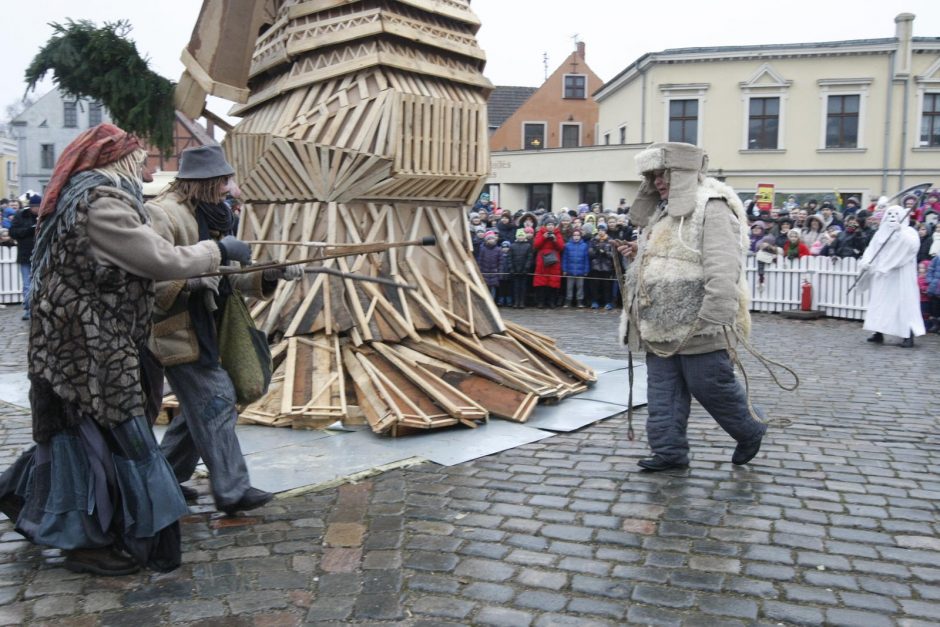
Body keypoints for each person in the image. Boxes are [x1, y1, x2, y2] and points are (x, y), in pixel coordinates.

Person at [0, 123, 240, 576]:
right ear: (115, 160)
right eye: (136, 159)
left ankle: (46, 513)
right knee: (117, 436)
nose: (143, 167)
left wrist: (218, 267)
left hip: (83, 341)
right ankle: (86, 541)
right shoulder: (101, 203)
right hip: (87, 347)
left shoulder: (87, 197)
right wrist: (215, 251)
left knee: (84, 435)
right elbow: (159, 260)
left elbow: (130, 274)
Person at [147, 145, 302, 515]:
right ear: (202, 182)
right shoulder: (162, 214)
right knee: (216, 399)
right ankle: (233, 490)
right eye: (222, 181)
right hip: (178, 328)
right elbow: (149, 276)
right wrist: (190, 282)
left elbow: (229, 277)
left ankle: (164, 475)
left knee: (208, 407)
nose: (227, 188)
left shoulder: (219, 216)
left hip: (216, 324)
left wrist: (269, 273)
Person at [617, 142, 766, 472]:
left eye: (664, 174)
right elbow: (670, 255)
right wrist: (636, 253)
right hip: (657, 321)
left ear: (682, 173)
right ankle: (669, 451)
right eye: (653, 176)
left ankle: (750, 429)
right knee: (662, 392)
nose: (658, 182)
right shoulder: (663, 211)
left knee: (710, 386)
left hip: (701, 321)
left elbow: (723, 265)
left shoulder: (713, 207)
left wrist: (715, 310)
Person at [859, 204, 926, 347]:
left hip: (900, 275)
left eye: (896, 215)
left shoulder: (909, 232)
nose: (892, 218)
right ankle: (878, 332)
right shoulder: (880, 233)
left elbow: (912, 247)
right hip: (882, 276)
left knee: (903, 304)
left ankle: (908, 335)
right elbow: (872, 249)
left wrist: (900, 231)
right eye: (889, 214)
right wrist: (866, 262)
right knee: (880, 304)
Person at [10, 195, 41, 319]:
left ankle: (39, 308)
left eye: (38, 207)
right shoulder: (21, 215)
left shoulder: (45, 215)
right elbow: (13, 232)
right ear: (31, 206)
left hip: (40, 255)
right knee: (27, 284)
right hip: (25, 253)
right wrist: (29, 230)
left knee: (40, 282)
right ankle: (28, 309)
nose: (37, 209)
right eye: (35, 207)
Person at [532, 216, 565, 308]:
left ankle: (551, 302)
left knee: (553, 283)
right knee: (541, 282)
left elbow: (561, 247)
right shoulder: (540, 233)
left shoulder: (558, 234)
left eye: (552, 225)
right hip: (542, 261)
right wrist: (543, 237)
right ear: (545, 226)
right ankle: (541, 302)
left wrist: (555, 240)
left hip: (554, 261)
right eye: (548, 224)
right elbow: (536, 245)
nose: (550, 226)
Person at [561, 228, 589, 307]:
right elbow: (565, 258)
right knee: (569, 287)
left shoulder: (584, 245)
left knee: (580, 287)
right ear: (572, 236)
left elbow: (586, 259)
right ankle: (568, 301)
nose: (576, 237)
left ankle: (579, 301)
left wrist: (586, 270)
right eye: (574, 235)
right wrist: (564, 269)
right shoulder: (567, 245)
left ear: (580, 236)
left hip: (580, 271)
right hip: (570, 270)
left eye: (578, 235)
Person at [508, 227, 534, 308]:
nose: (521, 237)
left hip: (524, 270)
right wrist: (511, 268)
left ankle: (522, 302)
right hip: (515, 269)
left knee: (523, 287)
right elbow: (510, 258)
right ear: (516, 236)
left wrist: (526, 268)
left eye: (522, 235)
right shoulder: (512, 246)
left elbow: (529, 258)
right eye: (519, 235)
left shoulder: (528, 246)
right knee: (515, 287)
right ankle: (516, 302)